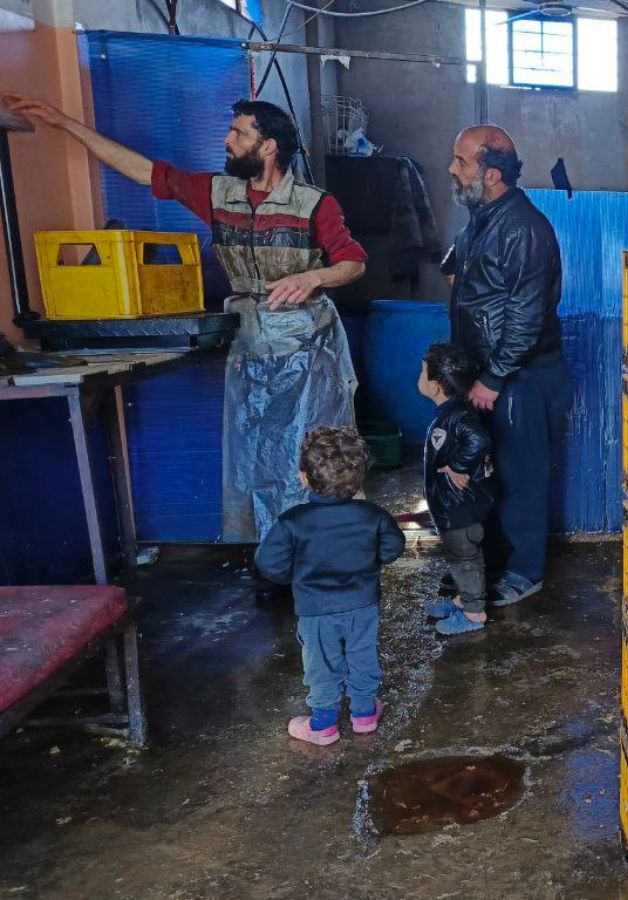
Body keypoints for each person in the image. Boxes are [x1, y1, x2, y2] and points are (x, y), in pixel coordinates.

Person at [3, 94, 367, 586]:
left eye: (239, 133)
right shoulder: (219, 193)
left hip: (307, 350)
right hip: (252, 346)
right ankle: (275, 560)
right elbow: (147, 172)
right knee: (255, 458)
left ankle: (321, 560)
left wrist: (314, 278)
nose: (227, 139)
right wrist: (65, 123)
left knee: (309, 457)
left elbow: (353, 261)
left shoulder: (314, 204)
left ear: (269, 147)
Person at [445, 125, 574, 607]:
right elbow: (461, 269)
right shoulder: (483, 217)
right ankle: (493, 563)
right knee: (489, 472)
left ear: (492, 174)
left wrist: (495, 377)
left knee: (521, 475)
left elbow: (526, 312)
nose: (452, 170)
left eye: (461, 162)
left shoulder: (522, 227)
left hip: (521, 376)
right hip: (487, 372)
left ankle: (525, 572)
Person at [254, 427, 405, 746]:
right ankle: (364, 715)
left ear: (304, 478)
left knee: (322, 663)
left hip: (315, 610)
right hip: (363, 605)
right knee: (362, 656)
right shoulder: (373, 515)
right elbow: (393, 548)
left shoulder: (292, 521)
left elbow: (268, 563)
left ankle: (323, 725)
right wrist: (368, 561)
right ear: (359, 479)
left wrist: (294, 578)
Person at [416, 342, 496, 636]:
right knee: (459, 555)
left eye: (422, 374)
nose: (418, 379)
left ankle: (474, 613)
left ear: (436, 386)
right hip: (454, 505)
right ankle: (464, 599)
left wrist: (459, 467)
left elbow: (478, 439)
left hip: (460, 507)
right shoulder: (451, 411)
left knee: (464, 557)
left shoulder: (456, 417)